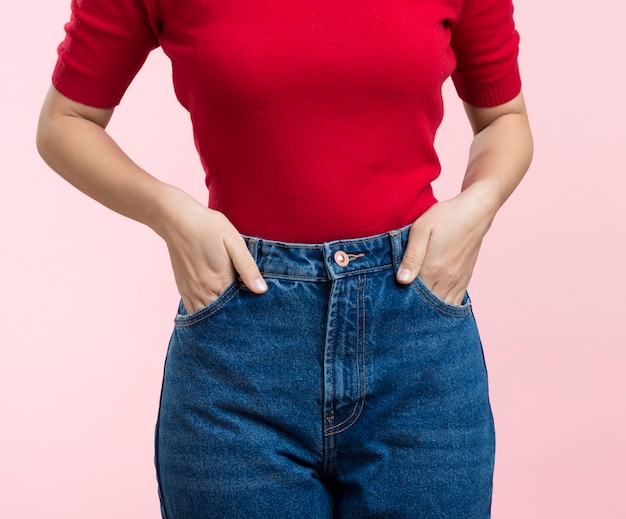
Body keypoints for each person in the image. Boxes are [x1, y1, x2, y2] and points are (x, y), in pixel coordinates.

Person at [37, 0, 532, 517]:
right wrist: (170, 213)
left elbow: (505, 118)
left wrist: (478, 205)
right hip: (239, 349)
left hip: (417, 342)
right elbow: (65, 122)